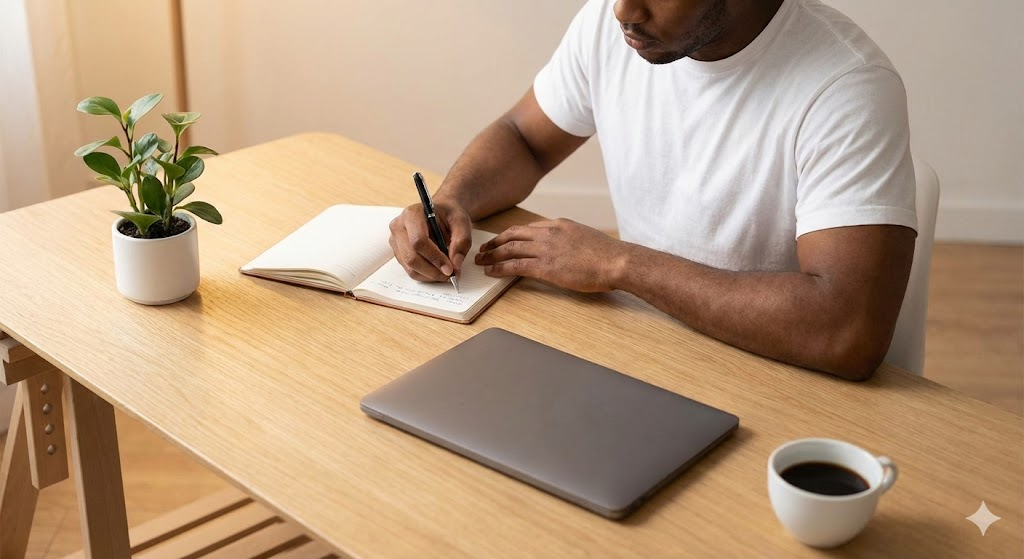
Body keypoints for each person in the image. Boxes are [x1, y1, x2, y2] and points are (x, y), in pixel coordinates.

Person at [388, 0, 917, 381]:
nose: (623, 10)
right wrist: (454, 199)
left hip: (773, 376)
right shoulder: (611, 24)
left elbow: (846, 330)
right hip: (640, 349)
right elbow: (525, 138)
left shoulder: (846, 87)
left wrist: (620, 265)